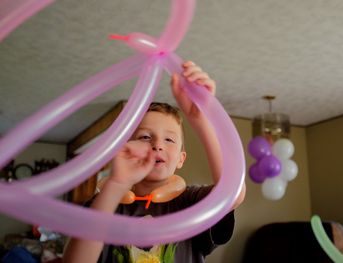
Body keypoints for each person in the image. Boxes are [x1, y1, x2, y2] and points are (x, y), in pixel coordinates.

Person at [63, 61, 246, 263]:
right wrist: (116, 185)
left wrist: (200, 119)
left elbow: (233, 193)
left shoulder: (191, 202)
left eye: (169, 139)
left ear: (180, 159)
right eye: (145, 137)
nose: (158, 145)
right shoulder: (103, 205)